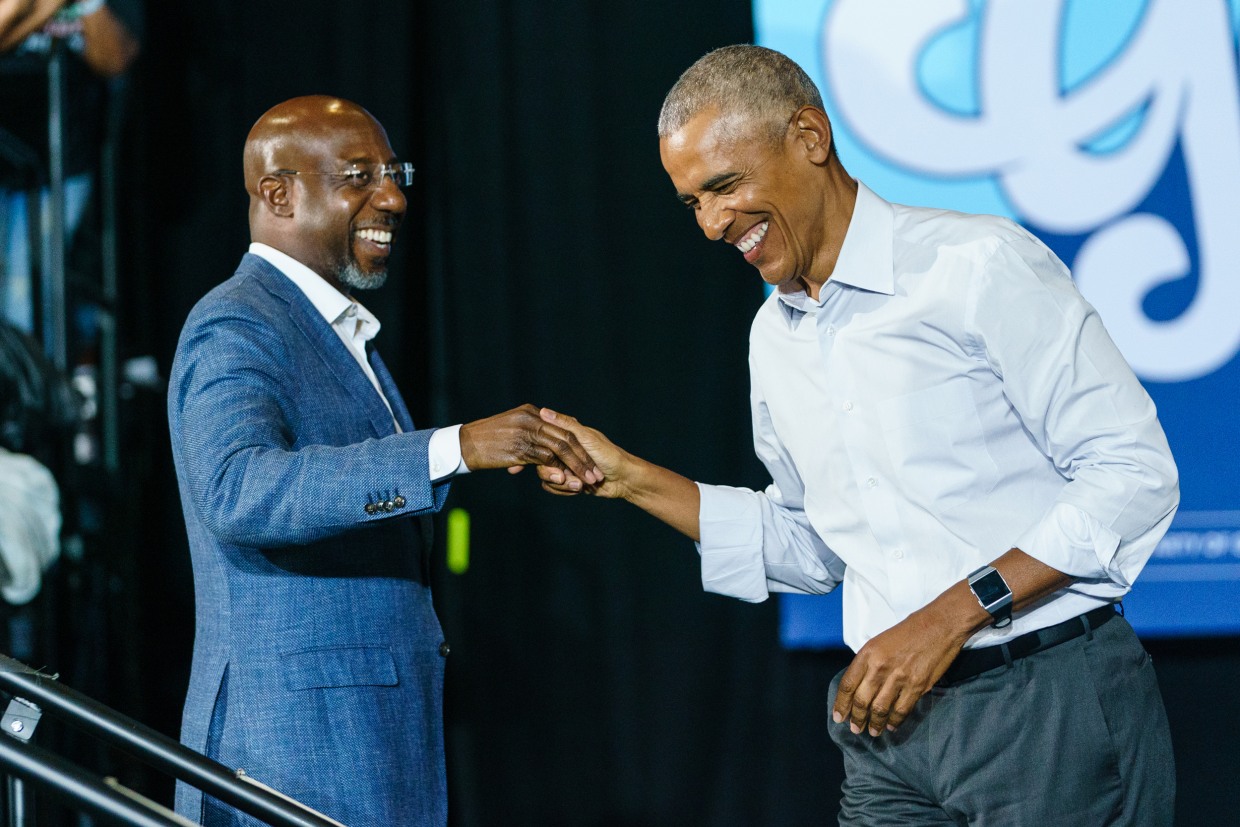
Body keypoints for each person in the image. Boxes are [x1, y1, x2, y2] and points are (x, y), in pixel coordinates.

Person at [536, 45, 1178, 825]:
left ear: (809, 136)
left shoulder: (974, 266)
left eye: (724, 186)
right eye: (691, 203)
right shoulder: (773, 337)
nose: (709, 224)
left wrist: (950, 615)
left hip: (1043, 703)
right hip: (887, 731)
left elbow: (1132, 473)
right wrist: (626, 477)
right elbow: (814, 545)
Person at [167, 95, 602, 827]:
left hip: (361, 743)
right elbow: (237, 490)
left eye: (394, 173)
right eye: (360, 176)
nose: (393, 197)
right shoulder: (236, 319)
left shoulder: (334, 327)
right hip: (289, 748)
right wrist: (451, 447)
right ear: (278, 193)